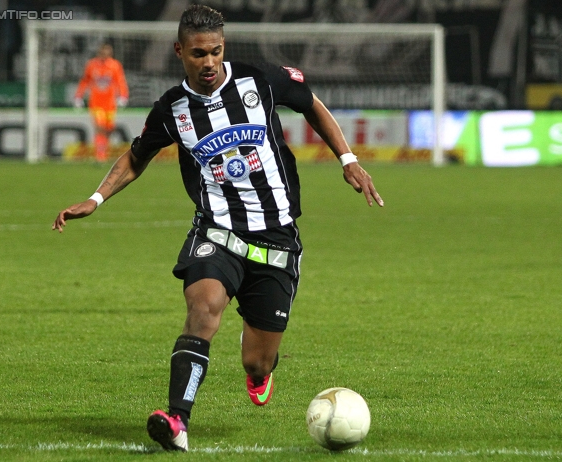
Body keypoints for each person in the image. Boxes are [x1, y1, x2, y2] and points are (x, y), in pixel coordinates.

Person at [52, 4, 383, 452]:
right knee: (203, 307)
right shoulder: (172, 109)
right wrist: (95, 198)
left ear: (223, 47)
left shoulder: (259, 79)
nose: (208, 62)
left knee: (257, 360)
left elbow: (312, 105)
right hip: (217, 231)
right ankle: (176, 420)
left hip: (277, 236)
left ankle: (259, 372)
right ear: (179, 51)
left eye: (215, 52)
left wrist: (349, 160)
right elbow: (135, 156)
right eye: (197, 54)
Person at [74, 43, 129, 163]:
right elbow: (85, 81)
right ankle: (100, 155)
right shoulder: (91, 65)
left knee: (109, 129)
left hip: (110, 104)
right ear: (100, 52)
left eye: (108, 53)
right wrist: (78, 96)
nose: (106, 55)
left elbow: (120, 81)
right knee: (100, 127)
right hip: (96, 102)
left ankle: (104, 152)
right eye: (104, 52)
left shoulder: (115, 65)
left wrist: (123, 96)